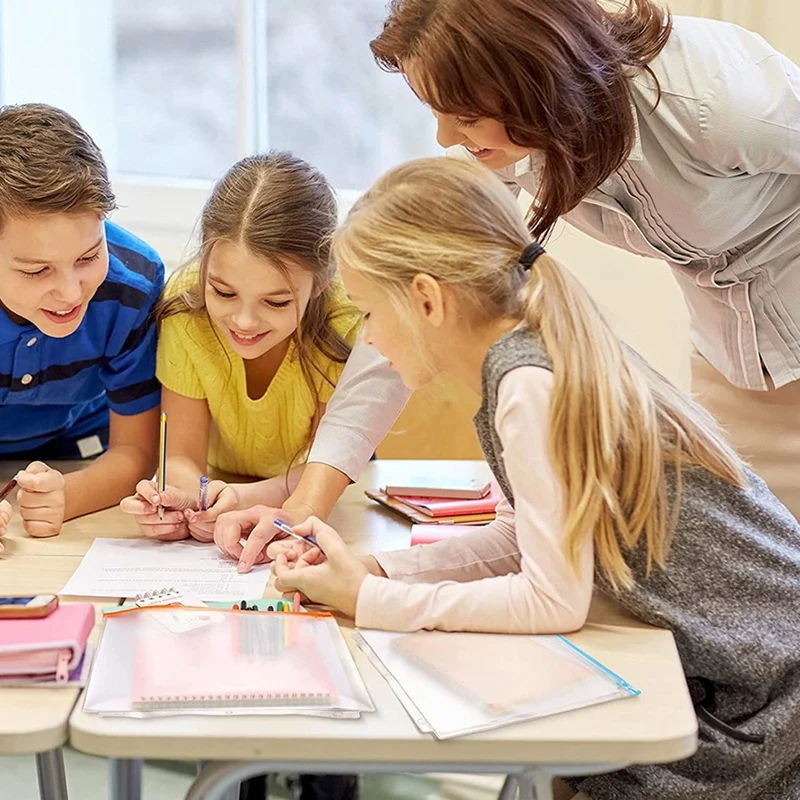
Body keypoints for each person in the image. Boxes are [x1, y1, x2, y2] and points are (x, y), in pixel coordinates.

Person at [271, 157, 800, 800]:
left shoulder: (529, 387)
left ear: (427, 300)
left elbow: (552, 601)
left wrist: (372, 602)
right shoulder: (529, 355)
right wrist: (378, 572)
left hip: (765, 698)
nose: (371, 339)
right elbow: (524, 539)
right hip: (742, 665)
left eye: (370, 313)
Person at [119, 150, 361, 549]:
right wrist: (179, 499)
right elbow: (181, 456)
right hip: (223, 488)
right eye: (224, 292)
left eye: (277, 302)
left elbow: (327, 469)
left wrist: (242, 499)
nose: (244, 322)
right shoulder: (186, 308)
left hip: (324, 502)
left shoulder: (344, 321)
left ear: (319, 283)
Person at [0, 103, 162, 539]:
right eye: (37, 271)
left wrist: (68, 497)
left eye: (89, 257)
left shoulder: (133, 286)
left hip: (85, 457)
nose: (72, 293)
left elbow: (136, 450)